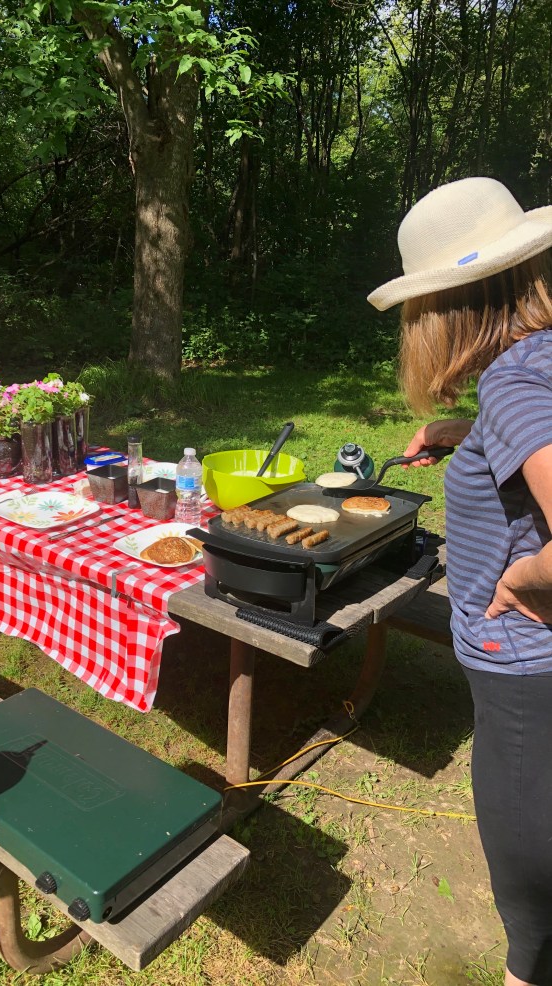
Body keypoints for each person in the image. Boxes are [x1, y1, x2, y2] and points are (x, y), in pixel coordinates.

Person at [368, 176, 552, 986]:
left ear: (441, 311)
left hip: (521, 663)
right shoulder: (535, 364)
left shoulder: (511, 384)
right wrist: (469, 434)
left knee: (529, 890)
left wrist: (528, 575)